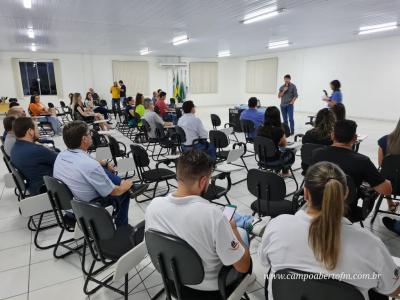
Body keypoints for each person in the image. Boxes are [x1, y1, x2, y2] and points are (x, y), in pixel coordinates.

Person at [258, 161, 400, 300]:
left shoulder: (277, 226)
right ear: (345, 194)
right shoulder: (370, 245)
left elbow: (264, 262)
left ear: (306, 194)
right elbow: (393, 289)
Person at [145, 150, 268, 295]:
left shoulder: (154, 205)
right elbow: (243, 266)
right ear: (203, 181)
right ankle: (251, 225)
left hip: (173, 283)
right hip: (212, 290)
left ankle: (247, 222)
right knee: (241, 234)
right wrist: (233, 229)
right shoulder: (213, 216)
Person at [53, 121, 148, 227]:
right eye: (89, 134)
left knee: (102, 168)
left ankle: (127, 184)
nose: (91, 136)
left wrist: (105, 163)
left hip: (70, 206)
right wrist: (124, 186)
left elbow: (89, 162)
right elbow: (114, 192)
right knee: (125, 193)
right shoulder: (90, 165)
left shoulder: (61, 155)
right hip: (88, 209)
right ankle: (123, 227)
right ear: (84, 139)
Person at [312, 119, 392, 215]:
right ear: (355, 138)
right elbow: (386, 190)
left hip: (318, 207)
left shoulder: (317, 154)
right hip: (346, 211)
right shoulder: (362, 161)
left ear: (332, 135)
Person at [10, 117, 58, 195]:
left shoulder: (14, 149)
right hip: (47, 189)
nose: (38, 130)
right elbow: (60, 160)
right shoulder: (37, 150)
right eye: (36, 127)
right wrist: (48, 150)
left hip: (33, 187)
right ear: (30, 131)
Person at [257, 106, 291, 175]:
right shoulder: (279, 131)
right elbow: (284, 146)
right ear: (278, 117)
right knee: (291, 151)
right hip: (274, 159)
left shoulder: (260, 128)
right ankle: (285, 172)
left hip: (262, 158)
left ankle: (278, 170)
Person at [377, 118, 400, 213]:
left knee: (388, 173)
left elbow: (381, 164)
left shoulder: (384, 140)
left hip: (388, 186)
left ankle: (390, 203)